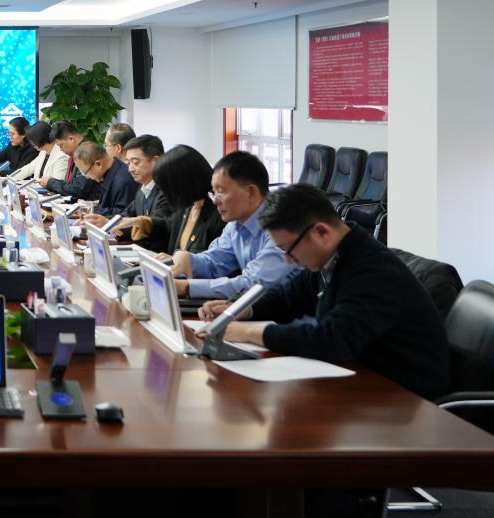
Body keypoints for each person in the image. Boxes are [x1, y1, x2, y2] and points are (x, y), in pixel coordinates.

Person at [199, 184, 449, 400]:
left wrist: (249, 332)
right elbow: (288, 299)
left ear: (321, 232)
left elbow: (333, 339)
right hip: (361, 380)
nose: (288, 260)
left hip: (406, 398)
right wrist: (240, 310)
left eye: (289, 249)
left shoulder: (373, 271)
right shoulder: (333, 257)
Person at [170, 151, 296, 300]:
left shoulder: (281, 227)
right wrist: (188, 259)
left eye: (221, 192)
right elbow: (213, 264)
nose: (215, 201)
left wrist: (187, 287)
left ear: (251, 192)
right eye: (213, 192)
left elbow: (253, 285)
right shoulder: (235, 224)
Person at [85, 134, 172, 248]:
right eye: (128, 163)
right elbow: (126, 215)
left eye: (135, 163)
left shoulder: (167, 191)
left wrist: (110, 225)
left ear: (156, 161)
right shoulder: (143, 188)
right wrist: (103, 221)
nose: (130, 169)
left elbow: (155, 228)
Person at [150, 144, 224, 256]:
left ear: (183, 182)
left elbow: (213, 261)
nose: (166, 193)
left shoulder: (219, 212)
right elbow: (170, 226)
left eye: (168, 187)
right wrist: (146, 223)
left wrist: (175, 261)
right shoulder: (187, 206)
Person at [71, 140, 138, 217]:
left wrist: (91, 210)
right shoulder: (111, 172)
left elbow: (122, 214)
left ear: (98, 164)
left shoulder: (123, 181)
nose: (87, 177)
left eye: (85, 172)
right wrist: (91, 205)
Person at [43, 122, 102, 201]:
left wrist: (51, 183)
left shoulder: (87, 152)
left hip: (88, 205)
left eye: (61, 145)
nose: (61, 149)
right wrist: (53, 182)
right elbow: (72, 184)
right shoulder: (76, 152)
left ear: (71, 139)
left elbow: (78, 189)